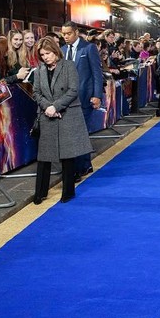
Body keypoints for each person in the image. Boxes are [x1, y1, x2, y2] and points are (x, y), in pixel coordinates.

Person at [32, 37, 93, 205]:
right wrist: (48, 108)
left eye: (48, 53)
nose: (45, 57)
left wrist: (56, 107)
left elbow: (73, 90)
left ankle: (68, 192)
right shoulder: (39, 70)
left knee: (67, 156)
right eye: (42, 54)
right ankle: (40, 193)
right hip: (47, 115)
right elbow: (36, 93)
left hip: (67, 114)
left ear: (55, 51)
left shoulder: (68, 66)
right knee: (44, 156)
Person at [60, 21, 104, 181]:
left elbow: (96, 73)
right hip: (67, 100)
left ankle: (78, 169)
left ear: (76, 32)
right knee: (78, 133)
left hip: (85, 98)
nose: (65, 36)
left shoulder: (89, 48)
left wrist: (97, 95)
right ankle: (85, 165)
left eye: (68, 33)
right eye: (63, 34)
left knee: (78, 133)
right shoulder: (62, 50)